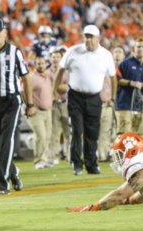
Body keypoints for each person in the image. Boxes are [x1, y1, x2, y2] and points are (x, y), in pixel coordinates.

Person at [0, 18, 36, 195]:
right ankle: (14, 173)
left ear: (4, 33)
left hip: (12, 101)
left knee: (7, 141)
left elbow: (26, 78)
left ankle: (2, 183)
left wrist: (30, 104)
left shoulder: (15, 52)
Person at [53, 25, 117, 175]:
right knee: (77, 130)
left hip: (95, 97)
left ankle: (91, 164)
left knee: (92, 133)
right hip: (75, 96)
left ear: (98, 38)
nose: (88, 40)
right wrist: (54, 90)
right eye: (86, 36)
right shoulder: (73, 51)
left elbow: (113, 77)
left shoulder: (106, 54)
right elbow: (60, 70)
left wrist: (113, 97)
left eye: (91, 37)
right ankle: (76, 163)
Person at [67, 133, 143, 212]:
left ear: (130, 150)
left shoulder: (139, 162)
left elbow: (120, 194)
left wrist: (91, 208)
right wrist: (128, 202)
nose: (118, 158)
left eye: (119, 153)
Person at [114, 38, 143, 136]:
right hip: (124, 104)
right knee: (124, 136)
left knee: (139, 136)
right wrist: (131, 83)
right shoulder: (125, 63)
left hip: (140, 106)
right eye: (138, 46)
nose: (141, 49)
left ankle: (137, 152)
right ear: (134, 49)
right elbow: (116, 79)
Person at [21, 56, 54, 169]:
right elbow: (22, 91)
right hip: (37, 112)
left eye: (42, 63)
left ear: (46, 64)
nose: (40, 65)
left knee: (47, 137)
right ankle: (39, 161)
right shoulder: (31, 77)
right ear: (35, 65)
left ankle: (44, 160)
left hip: (48, 111)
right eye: (38, 64)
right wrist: (30, 106)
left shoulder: (48, 76)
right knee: (41, 136)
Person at [97, 46, 126, 162]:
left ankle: (116, 153)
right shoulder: (105, 69)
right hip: (109, 102)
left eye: (120, 52)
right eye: (115, 52)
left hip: (123, 104)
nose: (117, 54)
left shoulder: (126, 68)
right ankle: (103, 153)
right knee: (105, 129)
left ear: (124, 55)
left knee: (118, 131)